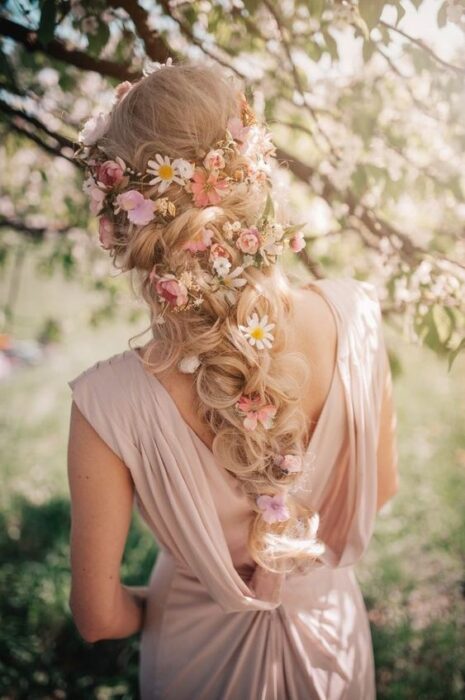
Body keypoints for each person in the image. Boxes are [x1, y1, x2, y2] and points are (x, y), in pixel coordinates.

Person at [67, 60, 399, 700]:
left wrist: (168, 602)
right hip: (331, 640)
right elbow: (379, 490)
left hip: (194, 655)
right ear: (254, 167)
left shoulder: (105, 405)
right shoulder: (356, 316)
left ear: (122, 213)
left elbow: (97, 616)